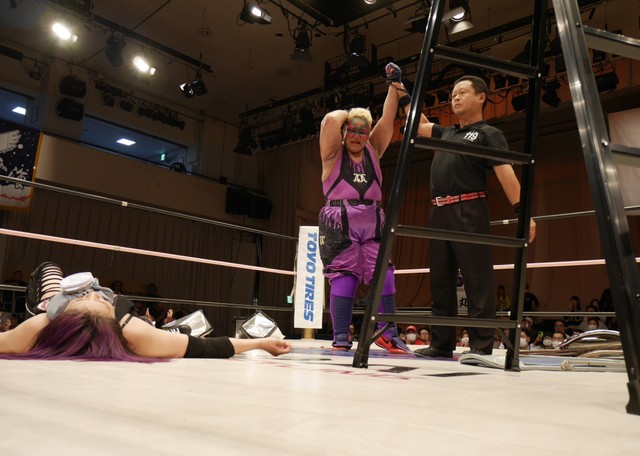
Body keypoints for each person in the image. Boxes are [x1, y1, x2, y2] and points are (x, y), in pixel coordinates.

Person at [391, 73, 536, 358]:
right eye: (452, 95)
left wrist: (523, 212)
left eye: (462, 93)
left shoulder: (488, 134)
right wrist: (403, 93)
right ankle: (441, 343)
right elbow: (418, 125)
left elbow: (505, 172)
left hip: (469, 209)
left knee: (476, 278)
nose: (455, 98)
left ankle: (481, 346)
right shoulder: (447, 133)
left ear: (481, 97)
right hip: (438, 211)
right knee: (440, 279)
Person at [0, 262, 290, 361]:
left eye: (89, 295)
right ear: (115, 319)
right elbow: (205, 347)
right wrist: (260, 343)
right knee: (183, 334)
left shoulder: (39, 327)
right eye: (99, 300)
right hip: (137, 328)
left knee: (48, 272)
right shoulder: (135, 333)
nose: (91, 292)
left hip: (54, 312)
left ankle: (48, 297)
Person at [318, 63, 411, 354]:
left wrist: (394, 84)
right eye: (352, 131)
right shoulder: (332, 153)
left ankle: (388, 333)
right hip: (339, 219)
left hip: (372, 218)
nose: (357, 136)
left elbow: (388, 117)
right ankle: (341, 337)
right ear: (345, 131)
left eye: (363, 131)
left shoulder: (374, 148)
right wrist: (353, 115)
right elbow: (330, 120)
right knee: (344, 279)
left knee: (385, 274)